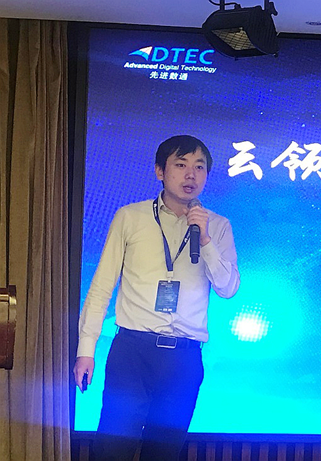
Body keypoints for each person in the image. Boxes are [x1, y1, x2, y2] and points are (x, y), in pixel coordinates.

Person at [73, 135, 240, 460]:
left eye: (199, 167)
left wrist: (205, 240)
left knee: (163, 452)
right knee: (111, 449)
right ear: (160, 171)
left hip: (184, 358)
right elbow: (102, 286)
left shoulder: (217, 226)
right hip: (132, 352)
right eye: (181, 165)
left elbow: (228, 288)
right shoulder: (130, 217)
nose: (191, 175)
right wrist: (86, 351)